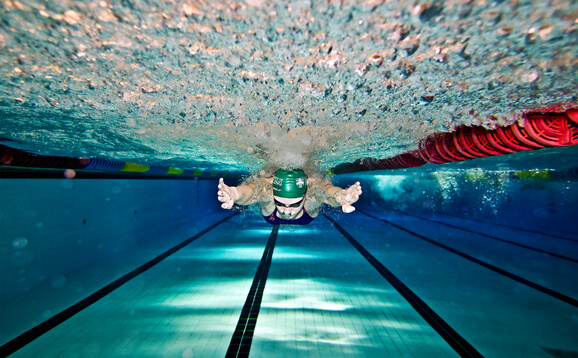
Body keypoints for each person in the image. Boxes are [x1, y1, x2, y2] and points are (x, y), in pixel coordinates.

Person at [217, 168, 362, 225]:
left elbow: (325, 192)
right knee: (263, 187)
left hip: (306, 204)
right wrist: (235, 194)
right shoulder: (269, 194)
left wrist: (340, 196)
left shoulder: (310, 198)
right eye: (280, 204)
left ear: (304, 196)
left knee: (316, 190)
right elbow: (252, 192)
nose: (286, 212)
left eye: (294, 205)